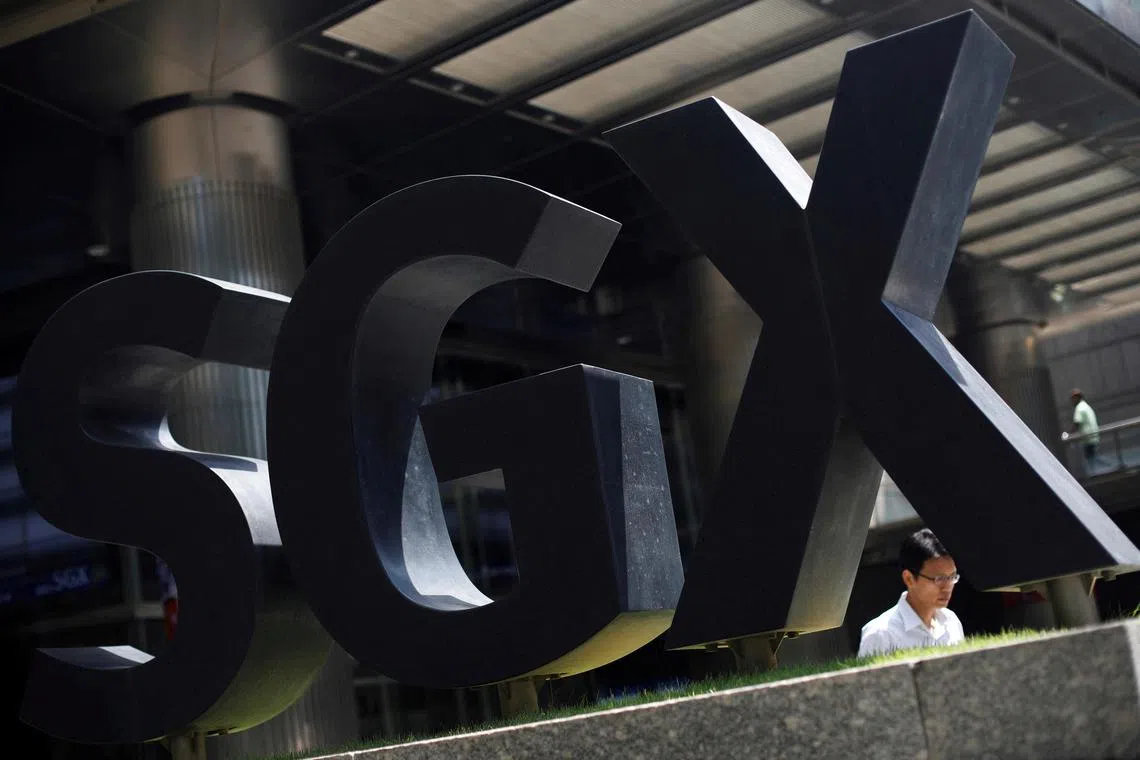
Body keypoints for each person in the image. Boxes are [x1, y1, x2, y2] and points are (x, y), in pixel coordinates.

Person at [858, 528, 965, 657]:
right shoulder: (881, 634)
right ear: (909, 578)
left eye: (952, 577)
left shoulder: (951, 622)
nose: (947, 587)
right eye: (939, 579)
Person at [1068, 389, 1100, 473]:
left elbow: (1077, 422)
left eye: (1074, 398)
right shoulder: (1086, 406)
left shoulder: (1079, 408)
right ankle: (1095, 472)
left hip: (1088, 438)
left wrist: (1069, 434)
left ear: (1078, 398)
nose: (1072, 400)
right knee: (1092, 457)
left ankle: (1094, 474)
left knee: (1091, 458)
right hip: (1093, 437)